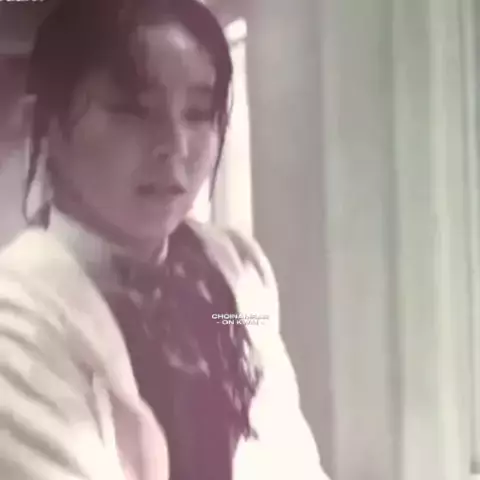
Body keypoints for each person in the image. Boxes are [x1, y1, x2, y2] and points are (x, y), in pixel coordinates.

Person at [0, 0, 329, 479]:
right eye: (133, 111)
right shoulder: (17, 317)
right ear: (46, 124)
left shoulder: (235, 274)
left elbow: (286, 452)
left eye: (198, 113)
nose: (174, 145)